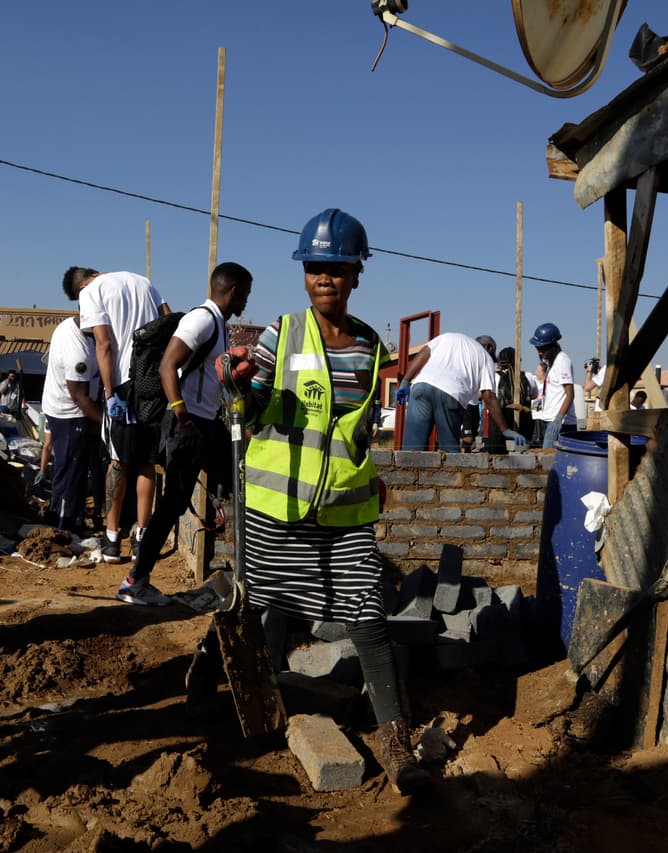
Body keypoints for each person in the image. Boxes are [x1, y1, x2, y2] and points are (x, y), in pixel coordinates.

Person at [224, 208, 432, 795]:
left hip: (344, 507)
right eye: (316, 267)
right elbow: (255, 403)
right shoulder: (280, 334)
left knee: (367, 612)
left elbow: (358, 429)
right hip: (276, 503)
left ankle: (394, 737)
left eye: (337, 268)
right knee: (264, 606)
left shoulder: (369, 345)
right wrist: (239, 386)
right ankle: (252, 711)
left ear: (356, 273)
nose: (326, 278)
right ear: (304, 273)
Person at [117, 262, 252, 606]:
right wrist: (182, 415)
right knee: (172, 504)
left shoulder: (219, 323)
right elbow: (167, 365)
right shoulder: (203, 319)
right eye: (246, 293)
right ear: (234, 290)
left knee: (239, 484)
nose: (247, 301)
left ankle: (252, 572)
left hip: (204, 422)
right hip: (188, 423)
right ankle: (135, 581)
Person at [63, 266, 169, 562]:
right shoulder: (144, 282)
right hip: (152, 384)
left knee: (117, 462)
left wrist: (109, 392)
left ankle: (112, 540)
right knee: (147, 463)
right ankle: (142, 536)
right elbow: (169, 321)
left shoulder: (91, 292)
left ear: (81, 288)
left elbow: (104, 343)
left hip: (122, 385)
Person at [397, 332, 526, 453]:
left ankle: (406, 476)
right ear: (489, 347)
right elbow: (488, 395)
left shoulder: (448, 337)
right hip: (451, 393)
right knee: (449, 452)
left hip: (421, 386)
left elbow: (424, 352)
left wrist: (406, 380)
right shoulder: (485, 357)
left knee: (411, 449)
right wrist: (505, 429)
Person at [39, 314, 103, 533]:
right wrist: (107, 424)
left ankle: (72, 518)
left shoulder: (71, 326)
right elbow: (80, 398)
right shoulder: (78, 352)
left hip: (66, 409)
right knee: (70, 472)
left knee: (74, 468)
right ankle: (63, 526)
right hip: (70, 414)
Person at [530, 322, 576, 448]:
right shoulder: (552, 363)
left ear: (552, 346)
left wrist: (559, 418)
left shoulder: (562, 360)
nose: (539, 352)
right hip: (551, 420)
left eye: (542, 349)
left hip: (561, 423)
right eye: (537, 349)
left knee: (551, 459)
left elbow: (570, 394)